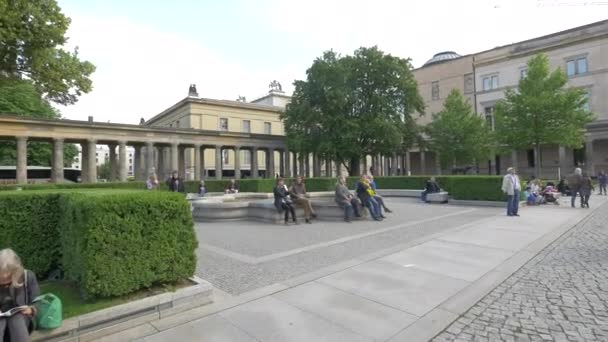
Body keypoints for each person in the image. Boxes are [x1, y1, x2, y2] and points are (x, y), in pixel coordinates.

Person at [0, 248, 41, 342]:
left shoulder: (28, 276)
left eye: (9, 277)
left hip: (22, 321)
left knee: (16, 318)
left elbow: (38, 301)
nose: (5, 279)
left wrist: (31, 309)